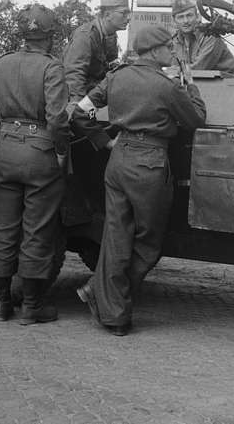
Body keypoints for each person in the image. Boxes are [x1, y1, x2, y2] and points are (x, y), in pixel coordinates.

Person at [73, 24, 206, 336]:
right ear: (155, 51)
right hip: (150, 163)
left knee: (116, 236)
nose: (173, 51)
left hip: (118, 159)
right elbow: (196, 119)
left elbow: (82, 112)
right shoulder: (166, 86)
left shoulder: (116, 77)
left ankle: (112, 311)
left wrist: (102, 140)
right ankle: (102, 294)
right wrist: (191, 85)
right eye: (169, 47)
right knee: (149, 241)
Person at [0, 4, 69, 325]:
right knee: (36, 231)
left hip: (5, 149)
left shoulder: (2, 63)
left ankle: (1, 304)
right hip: (39, 152)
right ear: (50, 36)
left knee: (4, 229)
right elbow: (58, 118)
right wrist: (60, 150)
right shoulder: (52, 67)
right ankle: (32, 306)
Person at [63, 0, 131, 106]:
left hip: (94, 99)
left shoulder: (110, 36)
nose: (128, 18)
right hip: (80, 101)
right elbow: (74, 75)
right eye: (123, 13)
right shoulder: (85, 36)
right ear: (107, 15)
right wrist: (79, 110)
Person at [171, 0, 234, 74]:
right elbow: (172, 65)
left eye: (189, 15)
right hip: (197, 82)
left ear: (197, 17)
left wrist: (172, 71)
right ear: (174, 21)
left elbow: (199, 69)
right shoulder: (174, 41)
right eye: (180, 17)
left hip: (227, 82)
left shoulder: (210, 35)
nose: (185, 21)